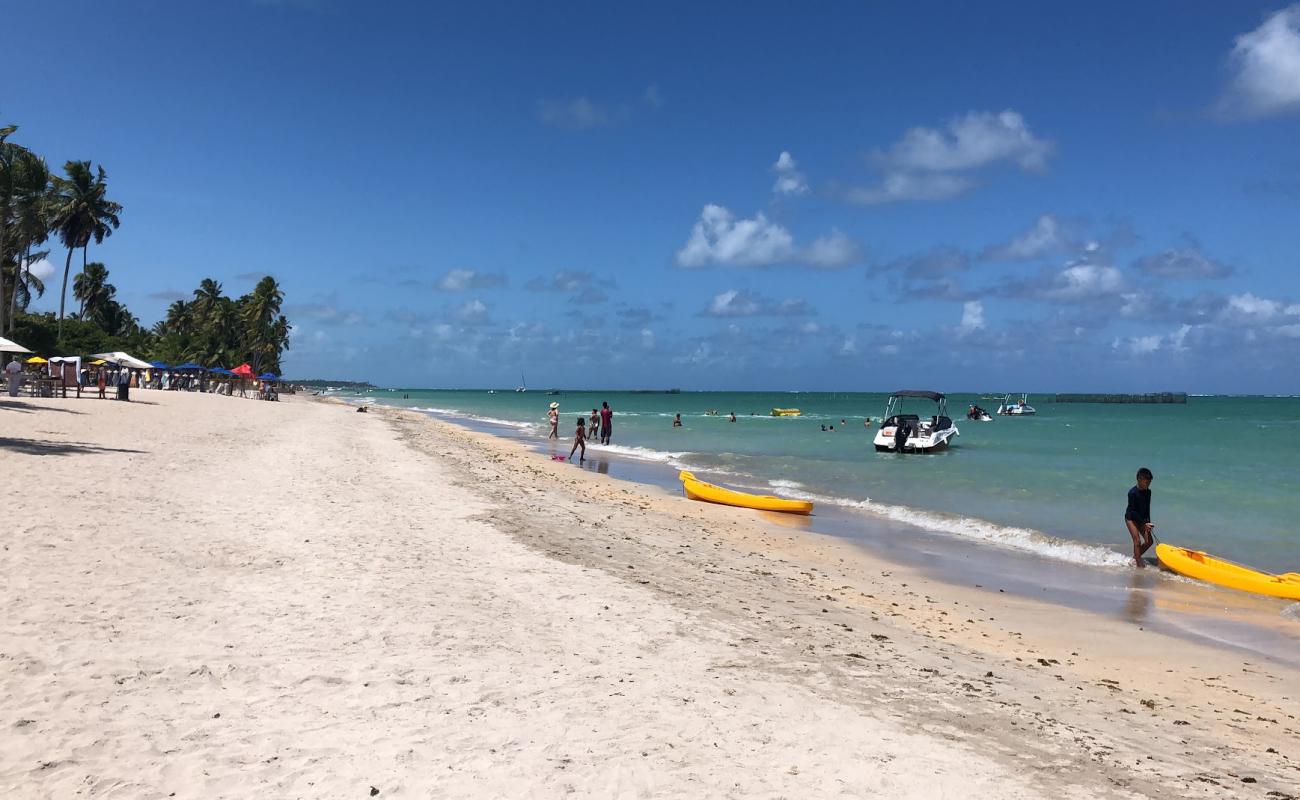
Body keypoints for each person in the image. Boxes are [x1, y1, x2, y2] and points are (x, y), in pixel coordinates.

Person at [1125, 467, 1155, 568]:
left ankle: (1135, 557)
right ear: (1139, 479)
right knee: (1137, 541)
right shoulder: (1132, 493)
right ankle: (1139, 565)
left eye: (1149, 482)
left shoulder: (1148, 492)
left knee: (1149, 541)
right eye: (1146, 482)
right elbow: (1133, 512)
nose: (1148, 484)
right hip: (1131, 518)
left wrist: (1148, 523)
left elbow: (1147, 509)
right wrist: (1143, 523)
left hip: (1142, 519)